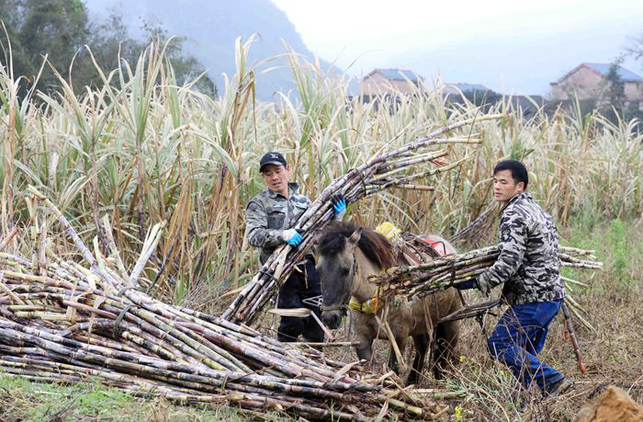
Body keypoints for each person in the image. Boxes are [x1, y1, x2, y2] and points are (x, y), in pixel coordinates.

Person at [457, 160, 571, 397]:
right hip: (551, 297)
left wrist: (478, 281)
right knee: (522, 355)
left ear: (519, 186)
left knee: (500, 345)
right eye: (494, 181)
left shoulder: (514, 214)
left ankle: (552, 379)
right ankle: (523, 404)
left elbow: (509, 262)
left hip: (533, 299)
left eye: (503, 182)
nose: (497, 187)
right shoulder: (537, 210)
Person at [245, 152, 346, 343]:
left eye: (277, 171)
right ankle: (282, 361)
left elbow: (319, 236)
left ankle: (315, 363)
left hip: (309, 267)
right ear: (263, 177)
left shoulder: (304, 202)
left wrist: (337, 218)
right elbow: (253, 236)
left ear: (287, 170)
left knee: (316, 323)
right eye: (268, 173)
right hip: (281, 270)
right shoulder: (259, 203)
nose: (274, 177)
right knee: (292, 321)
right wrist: (283, 235)